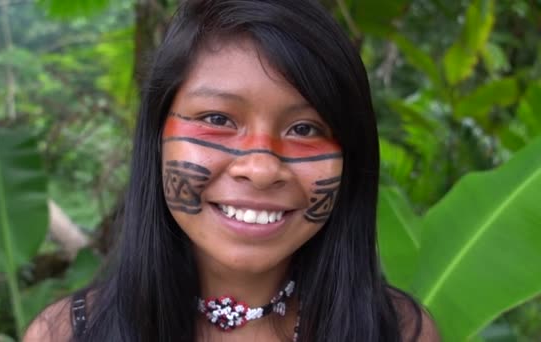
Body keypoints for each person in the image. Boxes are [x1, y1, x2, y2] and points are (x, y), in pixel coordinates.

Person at [25, 0, 441, 341]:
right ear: (156, 138)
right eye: (219, 119)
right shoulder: (65, 334)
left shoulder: (400, 332)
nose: (261, 169)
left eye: (305, 128)